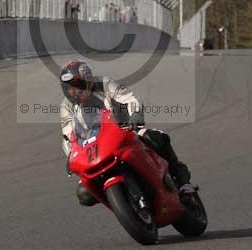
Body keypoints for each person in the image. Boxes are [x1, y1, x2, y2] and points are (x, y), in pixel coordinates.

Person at [58, 60, 195, 206]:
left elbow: (129, 99)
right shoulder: (66, 106)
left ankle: (183, 183)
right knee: (84, 193)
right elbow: (68, 135)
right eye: (69, 88)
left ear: (88, 80)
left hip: (124, 130)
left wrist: (135, 114)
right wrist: (71, 154)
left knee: (156, 138)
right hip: (93, 147)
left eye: (77, 86)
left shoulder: (104, 84)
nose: (74, 91)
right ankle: (121, 202)